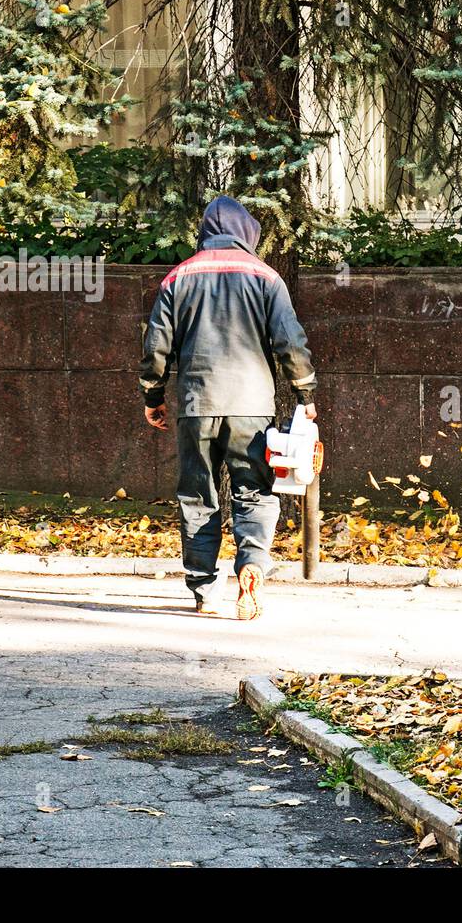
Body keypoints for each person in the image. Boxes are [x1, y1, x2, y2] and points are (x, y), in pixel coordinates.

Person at [139, 196, 317, 620]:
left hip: (196, 405)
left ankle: (204, 589)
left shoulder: (177, 277)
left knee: (198, 495)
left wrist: (154, 396)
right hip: (252, 408)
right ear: (247, 233)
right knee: (254, 490)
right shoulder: (266, 277)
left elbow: (156, 347)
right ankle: (252, 565)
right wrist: (305, 396)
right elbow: (290, 343)